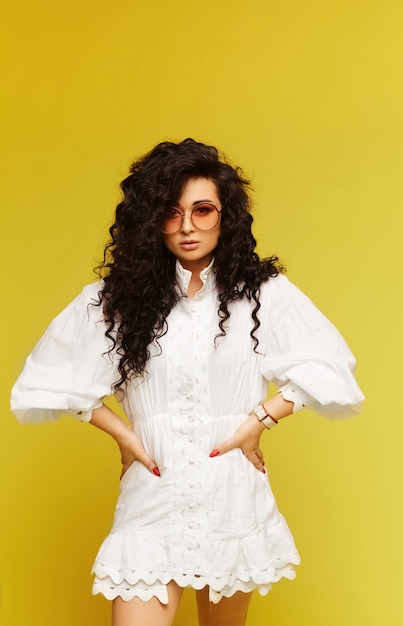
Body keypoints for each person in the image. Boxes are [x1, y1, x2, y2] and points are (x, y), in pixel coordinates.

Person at [11, 138, 365, 626]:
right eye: (171, 213)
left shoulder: (262, 294)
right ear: (152, 220)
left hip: (230, 497)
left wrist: (260, 419)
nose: (188, 226)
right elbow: (48, 380)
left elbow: (330, 371)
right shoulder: (115, 299)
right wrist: (124, 433)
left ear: (226, 214)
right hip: (154, 496)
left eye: (203, 210)